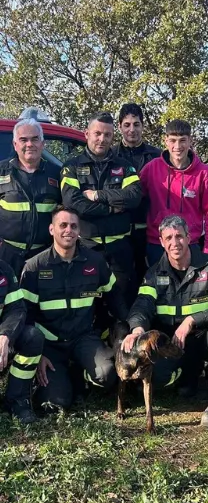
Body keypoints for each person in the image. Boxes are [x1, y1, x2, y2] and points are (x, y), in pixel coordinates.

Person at [122, 215, 208, 429]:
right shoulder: (154, 273)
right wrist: (137, 329)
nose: (174, 243)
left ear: (189, 237)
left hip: (205, 339)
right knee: (154, 381)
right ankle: (190, 377)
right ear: (161, 241)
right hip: (173, 345)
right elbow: (142, 304)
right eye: (168, 237)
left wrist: (192, 320)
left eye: (179, 236)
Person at [20, 206, 126, 410]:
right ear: (52, 229)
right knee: (54, 403)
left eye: (73, 226)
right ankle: (59, 379)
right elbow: (25, 316)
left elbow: (115, 298)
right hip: (49, 345)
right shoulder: (34, 267)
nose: (68, 230)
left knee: (107, 374)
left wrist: (133, 327)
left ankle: (80, 373)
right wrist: (37, 354)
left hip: (84, 338)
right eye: (63, 225)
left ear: (79, 231)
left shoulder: (95, 261)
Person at [60, 112, 142, 299]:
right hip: (86, 249)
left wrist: (98, 195)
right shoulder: (71, 167)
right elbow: (74, 204)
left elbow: (134, 197)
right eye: (97, 133)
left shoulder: (125, 166)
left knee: (120, 303)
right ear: (87, 134)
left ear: (113, 136)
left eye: (107, 135)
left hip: (120, 250)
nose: (102, 139)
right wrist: (112, 208)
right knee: (88, 302)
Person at [140, 120, 208, 267]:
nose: (177, 146)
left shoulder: (204, 173)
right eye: (173, 140)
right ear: (166, 141)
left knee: (191, 290)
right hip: (157, 244)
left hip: (190, 244)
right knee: (159, 289)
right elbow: (135, 198)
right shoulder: (151, 168)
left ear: (190, 140)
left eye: (182, 140)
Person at [0, 117, 62, 277]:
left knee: (40, 301)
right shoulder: (2, 171)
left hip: (45, 255)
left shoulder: (57, 173)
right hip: (6, 255)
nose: (29, 144)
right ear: (15, 144)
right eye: (23, 140)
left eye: (35, 139)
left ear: (43, 143)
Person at [115, 103, 161, 282]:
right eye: (127, 125)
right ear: (120, 127)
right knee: (124, 283)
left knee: (150, 280)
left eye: (136, 124)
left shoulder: (157, 157)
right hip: (120, 232)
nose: (132, 129)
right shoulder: (111, 156)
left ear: (143, 126)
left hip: (149, 232)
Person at [0, 260, 44, 424]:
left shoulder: (5, 269)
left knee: (32, 337)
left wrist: (5, 335)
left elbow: (16, 309)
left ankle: (17, 401)